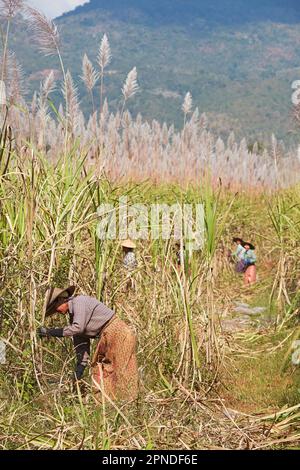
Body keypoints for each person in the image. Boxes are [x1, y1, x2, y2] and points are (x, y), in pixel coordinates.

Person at [37, 286, 138, 400]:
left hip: (119, 332)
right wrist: (78, 373)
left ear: (61, 300)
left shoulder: (79, 302)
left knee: (122, 371)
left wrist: (50, 332)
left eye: (56, 308)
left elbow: (78, 328)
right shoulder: (74, 320)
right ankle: (108, 405)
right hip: (107, 336)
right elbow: (82, 348)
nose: (58, 312)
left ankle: (129, 403)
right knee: (101, 370)